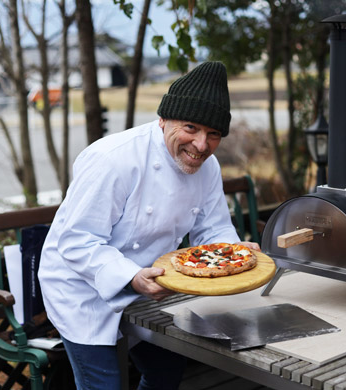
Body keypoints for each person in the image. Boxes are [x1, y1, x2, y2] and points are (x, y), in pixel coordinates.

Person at [38, 61, 260, 390]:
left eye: (213, 134)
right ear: (164, 118)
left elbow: (213, 230)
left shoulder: (208, 167)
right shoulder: (113, 159)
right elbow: (77, 241)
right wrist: (129, 276)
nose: (201, 145)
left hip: (149, 285)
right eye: (191, 128)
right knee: (104, 385)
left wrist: (233, 252)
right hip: (82, 288)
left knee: (166, 372)